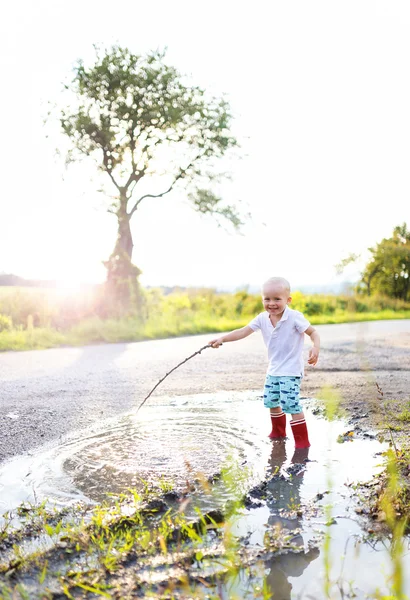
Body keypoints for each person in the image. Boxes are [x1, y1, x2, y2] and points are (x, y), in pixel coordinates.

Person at [209, 277, 320, 448]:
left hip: (290, 370)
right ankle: (278, 431)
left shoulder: (294, 317)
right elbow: (243, 331)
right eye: (267, 299)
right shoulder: (262, 318)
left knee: (290, 404)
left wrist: (315, 347)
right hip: (273, 370)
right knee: (271, 400)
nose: (272, 303)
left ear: (288, 300)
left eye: (277, 299)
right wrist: (222, 338)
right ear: (262, 299)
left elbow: (314, 333)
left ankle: (302, 441)